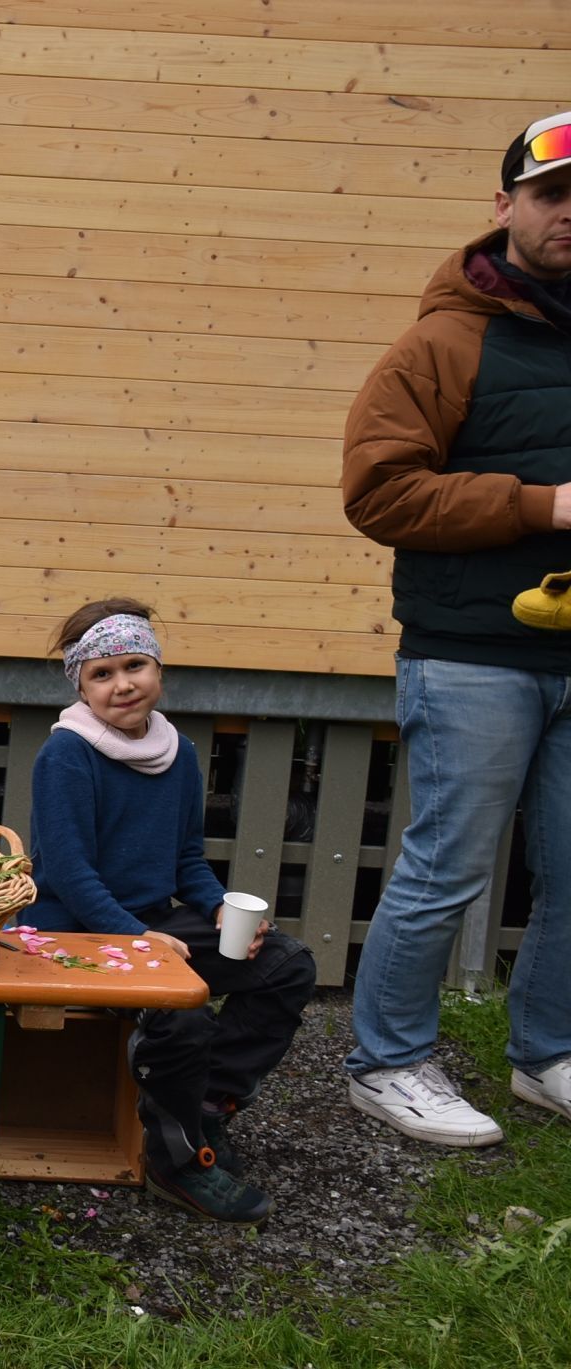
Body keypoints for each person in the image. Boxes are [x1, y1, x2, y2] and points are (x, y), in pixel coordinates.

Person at [340, 109, 571, 1146]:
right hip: (470, 655)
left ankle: (547, 1055)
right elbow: (377, 492)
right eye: (550, 195)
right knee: (447, 868)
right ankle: (384, 1062)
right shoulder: (441, 342)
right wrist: (540, 505)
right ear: (503, 207)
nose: (567, 215)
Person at [25, 599, 315, 1223]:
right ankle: (176, 1162)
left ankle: (209, 1105)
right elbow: (71, 877)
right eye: (101, 674)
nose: (122, 684)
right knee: (177, 1012)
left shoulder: (178, 752)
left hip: (148, 921)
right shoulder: (67, 757)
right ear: (80, 685)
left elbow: (187, 858)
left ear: (159, 670)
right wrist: (140, 940)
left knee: (285, 965)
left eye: (134, 665)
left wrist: (216, 907)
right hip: (71, 932)